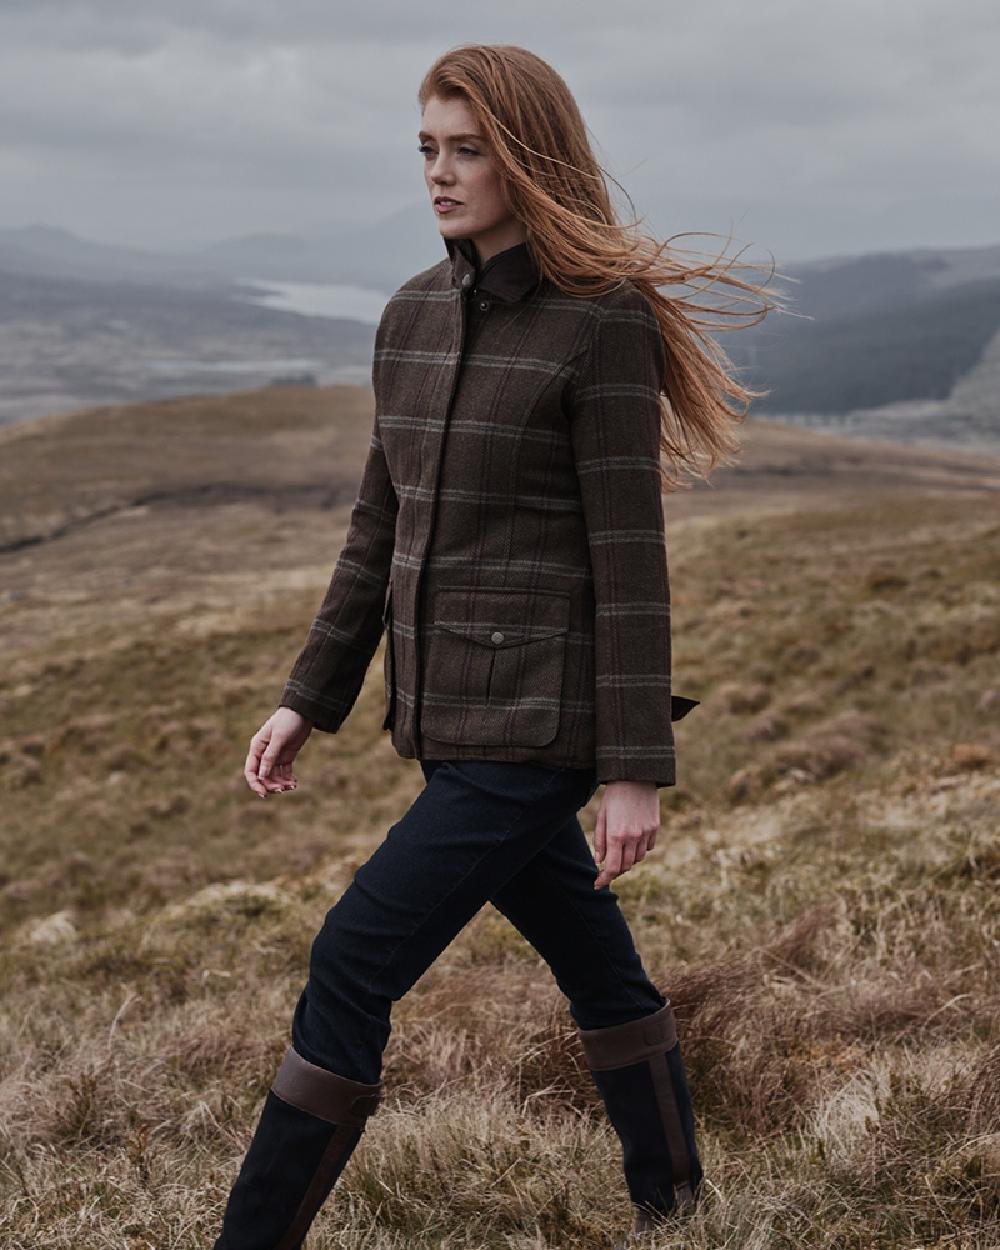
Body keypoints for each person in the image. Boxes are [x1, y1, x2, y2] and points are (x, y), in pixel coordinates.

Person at [211, 42, 782, 1250]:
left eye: (466, 149)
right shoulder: (409, 317)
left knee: (352, 953)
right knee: (595, 963)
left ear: (526, 157)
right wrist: (306, 696)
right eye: (427, 147)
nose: (439, 171)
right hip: (445, 716)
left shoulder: (598, 322)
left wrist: (631, 764)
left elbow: (629, 555)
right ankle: (676, 1203)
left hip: (539, 723)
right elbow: (379, 527)